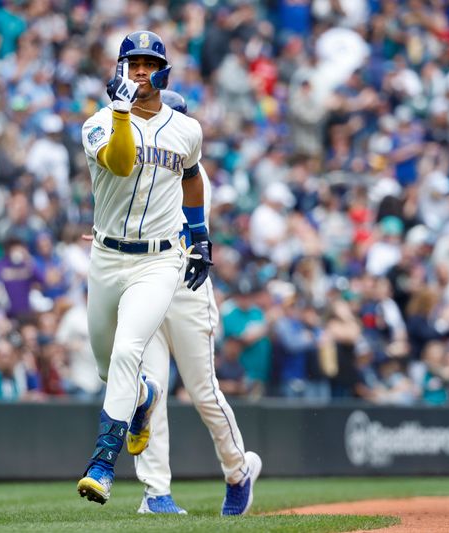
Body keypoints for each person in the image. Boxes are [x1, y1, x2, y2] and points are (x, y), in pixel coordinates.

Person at [76, 31, 213, 506]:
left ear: (163, 72)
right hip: (107, 257)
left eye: (149, 64)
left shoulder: (186, 129)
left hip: (159, 259)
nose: (140, 71)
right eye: (132, 63)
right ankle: (143, 396)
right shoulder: (97, 123)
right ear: (119, 69)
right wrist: (119, 112)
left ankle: (102, 464)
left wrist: (199, 235)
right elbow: (119, 162)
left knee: (127, 349)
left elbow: (192, 178)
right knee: (102, 362)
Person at [133, 90, 261, 516]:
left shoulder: (194, 176)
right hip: (147, 286)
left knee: (203, 392)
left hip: (187, 288)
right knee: (150, 392)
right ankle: (155, 493)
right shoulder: (141, 171)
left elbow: (173, 224)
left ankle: (238, 470)